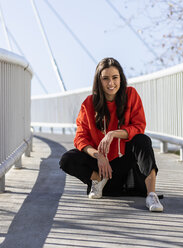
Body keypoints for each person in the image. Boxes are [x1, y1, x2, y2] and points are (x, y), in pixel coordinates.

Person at [59, 57, 163, 212]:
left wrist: (113, 134)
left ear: (121, 78)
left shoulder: (131, 95)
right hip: (103, 170)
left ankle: (151, 195)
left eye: (115, 78)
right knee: (67, 159)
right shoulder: (88, 104)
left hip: (125, 167)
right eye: (105, 78)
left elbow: (139, 126)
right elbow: (80, 138)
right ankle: (98, 181)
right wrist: (98, 156)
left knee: (142, 140)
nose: (111, 83)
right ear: (98, 81)